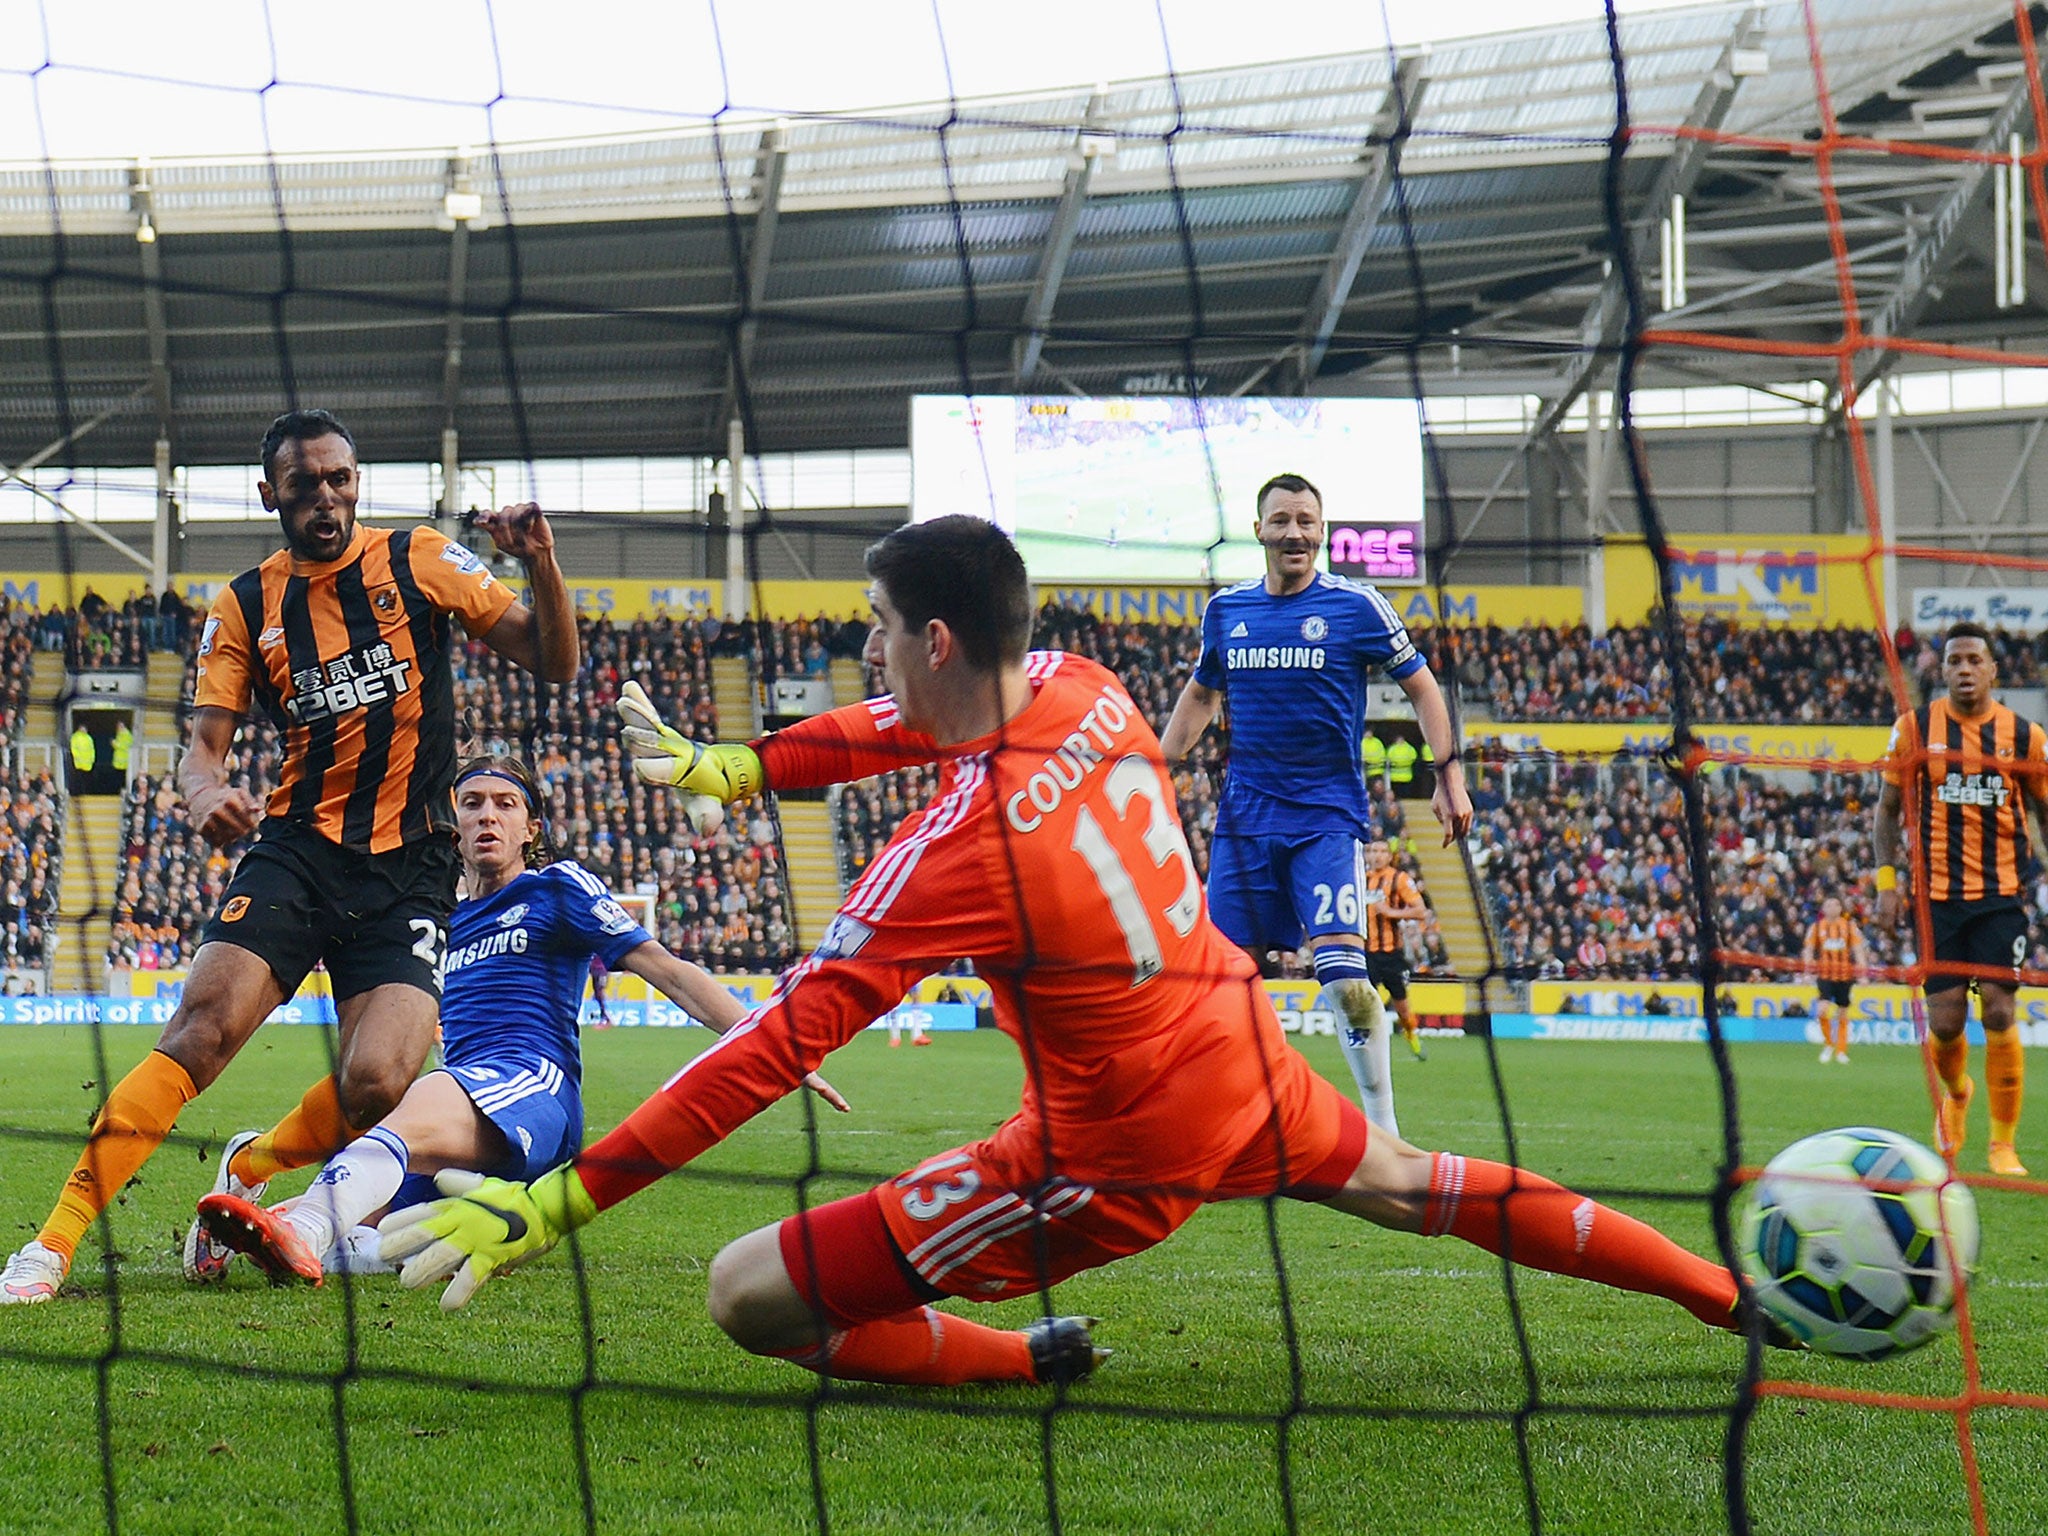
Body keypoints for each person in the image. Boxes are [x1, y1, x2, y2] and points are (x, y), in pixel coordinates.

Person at [379, 516, 1769, 1387]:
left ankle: (1008, 1364)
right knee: (1423, 1182)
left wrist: (560, 1206)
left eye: (876, 633)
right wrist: (747, 767)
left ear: (929, 638)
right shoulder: (1089, 688)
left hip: (1114, 1155)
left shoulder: (950, 860)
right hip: (1238, 1047)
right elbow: (894, 729)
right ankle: (1727, 1296)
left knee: (749, 1295)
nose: (870, 659)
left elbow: (773, 1051)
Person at [1, 408, 579, 1305]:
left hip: (415, 869)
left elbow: (553, 660)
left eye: (340, 478)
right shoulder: (244, 604)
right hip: (298, 851)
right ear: (268, 491)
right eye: (304, 483)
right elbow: (203, 747)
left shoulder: (418, 559)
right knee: (201, 1030)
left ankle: (252, 1165)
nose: (326, 496)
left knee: (379, 1082)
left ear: (357, 482)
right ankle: (50, 1248)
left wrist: (540, 561)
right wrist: (203, 795)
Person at [191, 756, 847, 1285]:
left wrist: (770, 1045)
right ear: (452, 826)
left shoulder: (556, 887)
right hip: (462, 1117)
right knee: (395, 1249)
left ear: (529, 826)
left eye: (504, 805)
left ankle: (301, 1223)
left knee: (384, 1140)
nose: (486, 817)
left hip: (530, 1090)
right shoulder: (435, 918)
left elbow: (666, 969)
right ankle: (256, 1224)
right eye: (471, 803)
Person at [1156, 473, 1472, 1137]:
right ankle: (1230, 1115)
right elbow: (1201, 698)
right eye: (1282, 520)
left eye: (1306, 520)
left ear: (1320, 531)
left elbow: (1423, 689)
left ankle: (1384, 1129)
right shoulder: (1227, 612)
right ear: (1259, 531)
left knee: (1346, 980)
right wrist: (1154, 772)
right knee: (1217, 987)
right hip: (1243, 827)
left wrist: (1450, 777)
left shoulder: (1359, 607)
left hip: (1325, 822)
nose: (1295, 532)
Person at [1875, 621, 2048, 1178]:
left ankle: (2002, 1145)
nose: (1966, 669)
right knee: (1946, 1022)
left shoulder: (2027, 737)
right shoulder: (1913, 730)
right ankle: (1957, 1094)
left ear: (1993, 670)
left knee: (1999, 1008)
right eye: (1955, 661)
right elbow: (1886, 810)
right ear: (1942, 670)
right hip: (1936, 900)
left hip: (2001, 897)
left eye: (1975, 659)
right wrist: (1886, 881)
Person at [1361, 840, 1431, 1063]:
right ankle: (1368, 1047)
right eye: (1372, 851)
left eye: (1382, 851)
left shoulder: (1399, 879)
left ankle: (1413, 1040)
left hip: (1391, 954)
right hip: (1365, 953)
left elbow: (1420, 911)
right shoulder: (1360, 879)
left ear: (1389, 856)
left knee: (1402, 1007)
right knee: (1365, 1003)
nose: (1377, 856)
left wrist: (1390, 912)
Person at [1801, 896, 1868, 1065]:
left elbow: (1858, 950)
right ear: (1823, 908)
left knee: (1843, 1012)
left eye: (1836, 904)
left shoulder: (1849, 927)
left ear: (1840, 908)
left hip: (1845, 975)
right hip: (1825, 974)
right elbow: (1808, 950)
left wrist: (1862, 973)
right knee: (1822, 1010)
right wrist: (1808, 971)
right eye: (1829, 904)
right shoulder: (1816, 927)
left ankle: (1841, 1051)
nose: (1832, 907)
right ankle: (1829, 1044)